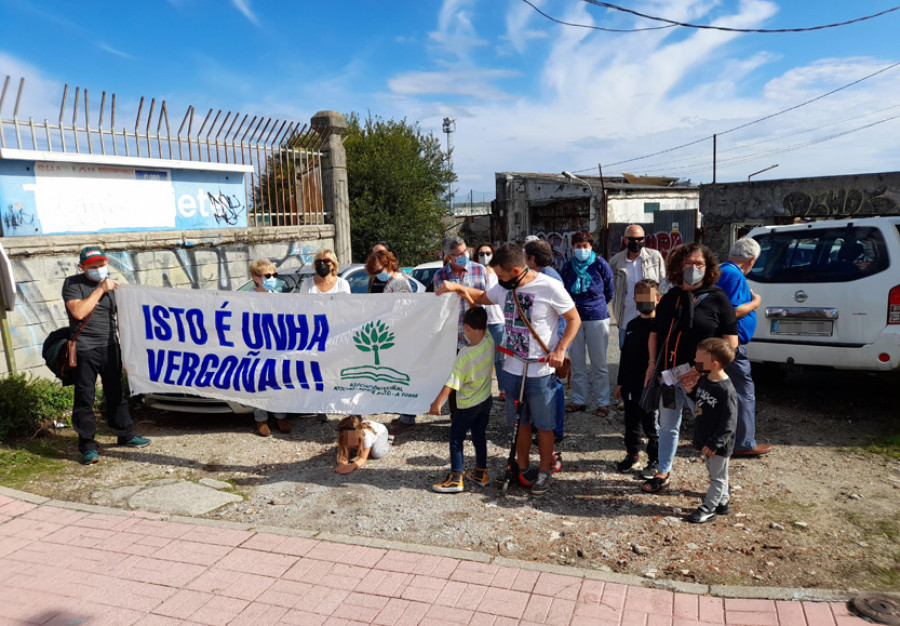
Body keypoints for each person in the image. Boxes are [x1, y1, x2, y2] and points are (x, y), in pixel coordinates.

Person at [438, 244, 580, 495]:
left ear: (516, 270)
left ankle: (545, 473)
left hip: (541, 372)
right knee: (520, 424)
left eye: (501, 276)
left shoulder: (549, 286)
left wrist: (560, 350)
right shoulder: (505, 287)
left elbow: (573, 319)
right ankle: (523, 469)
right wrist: (457, 287)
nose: (498, 281)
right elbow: (482, 297)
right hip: (513, 371)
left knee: (545, 427)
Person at [641, 243, 738, 494]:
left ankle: (719, 488)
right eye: (688, 264)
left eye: (699, 264)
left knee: (709, 430)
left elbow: (731, 345)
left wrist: (700, 372)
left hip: (703, 383)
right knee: (667, 425)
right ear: (678, 266)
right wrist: (652, 365)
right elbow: (654, 334)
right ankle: (663, 473)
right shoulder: (670, 298)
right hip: (671, 379)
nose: (693, 269)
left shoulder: (719, 299)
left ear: (708, 268)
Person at [63, 246, 150, 464]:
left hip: (110, 346)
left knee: (117, 393)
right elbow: (78, 312)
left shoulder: (114, 288)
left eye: (102, 265)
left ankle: (125, 434)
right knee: (85, 397)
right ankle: (88, 446)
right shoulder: (73, 285)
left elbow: (123, 319)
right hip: (85, 349)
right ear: (81, 267)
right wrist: (101, 289)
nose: (100, 269)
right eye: (94, 267)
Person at [429, 307, 494, 493]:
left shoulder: (464, 354)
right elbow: (481, 320)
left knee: (456, 438)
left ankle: (456, 477)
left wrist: (437, 402)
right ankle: (481, 472)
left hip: (467, 406)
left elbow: (452, 382)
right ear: (484, 326)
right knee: (479, 436)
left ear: (466, 327)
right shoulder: (489, 340)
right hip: (485, 401)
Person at [717, 238, 772, 457]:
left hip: (720, 342)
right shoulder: (734, 275)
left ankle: (725, 436)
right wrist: (755, 302)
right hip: (730, 344)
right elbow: (730, 313)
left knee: (723, 391)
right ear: (751, 260)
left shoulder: (722, 270)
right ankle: (743, 442)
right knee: (742, 392)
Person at [681, 337, 738, 523]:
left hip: (718, 443)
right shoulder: (706, 380)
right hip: (706, 438)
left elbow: (729, 422)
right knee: (715, 471)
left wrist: (715, 443)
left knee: (717, 476)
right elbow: (701, 401)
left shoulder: (726, 391)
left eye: (699, 358)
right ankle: (722, 501)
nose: (695, 361)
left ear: (713, 364)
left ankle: (708, 508)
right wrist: (691, 391)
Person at [560, 230, 614, 417]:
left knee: (599, 363)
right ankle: (579, 400)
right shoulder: (567, 267)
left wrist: (595, 305)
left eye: (585, 246)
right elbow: (563, 292)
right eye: (578, 246)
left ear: (591, 247)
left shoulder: (600, 264)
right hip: (573, 319)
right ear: (572, 247)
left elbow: (609, 290)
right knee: (577, 363)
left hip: (597, 317)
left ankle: (602, 402)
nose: (581, 249)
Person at [365, 249, 417, 435]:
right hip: (397, 335)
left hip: (401, 336)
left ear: (389, 265)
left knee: (404, 378)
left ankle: (408, 418)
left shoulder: (399, 283)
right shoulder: (392, 281)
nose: (378, 274)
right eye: (375, 272)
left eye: (379, 270)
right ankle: (405, 416)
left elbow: (403, 312)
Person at [613, 278, 660, 477]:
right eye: (640, 298)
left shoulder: (660, 327)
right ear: (634, 299)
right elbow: (625, 356)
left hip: (651, 385)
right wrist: (620, 382)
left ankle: (655, 459)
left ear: (658, 299)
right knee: (631, 423)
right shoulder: (631, 325)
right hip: (631, 384)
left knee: (652, 425)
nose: (644, 302)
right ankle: (632, 454)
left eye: (648, 298)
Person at [525, 239, 566, 443]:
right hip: (550, 343)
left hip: (552, 344)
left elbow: (564, 314)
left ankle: (554, 430)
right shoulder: (546, 275)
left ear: (532, 259)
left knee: (554, 387)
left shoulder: (549, 279)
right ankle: (545, 426)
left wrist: (560, 348)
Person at [248, 259, 292, 435]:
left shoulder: (278, 296)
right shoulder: (247, 297)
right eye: (268, 275)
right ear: (256, 278)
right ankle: (261, 420)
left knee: (277, 382)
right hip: (254, 346)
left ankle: (281, 417)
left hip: (276, 345)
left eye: (274, 275)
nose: (272, 278)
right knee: (258, 383)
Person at [609, 224, 666, 350]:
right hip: (626, 318)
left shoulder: (655, 257)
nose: (637, 242)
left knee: (652, 353)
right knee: (627, 355)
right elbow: (609, 288)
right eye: (632, 239)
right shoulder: (616, 261)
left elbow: (663, 285)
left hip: (652, 317)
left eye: (640, 238)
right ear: (625, 240)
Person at [432, 236, 487, 351]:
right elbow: (439, 308)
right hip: (453, 339)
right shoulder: (440, 276)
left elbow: (488, 300)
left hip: (478, 336)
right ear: (449, 257)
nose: (465, 255)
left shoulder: (480, 270)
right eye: (459, 254)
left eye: (465, 251)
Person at [475, 242, 505, 400]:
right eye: (481, 254)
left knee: (499, 359)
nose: (484, 257)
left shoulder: (499, 274)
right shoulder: (475, 273)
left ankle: (502, 389)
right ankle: (482, 391)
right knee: (481, 359)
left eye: (487, 253)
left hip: (497, 321)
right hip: (479, 323)